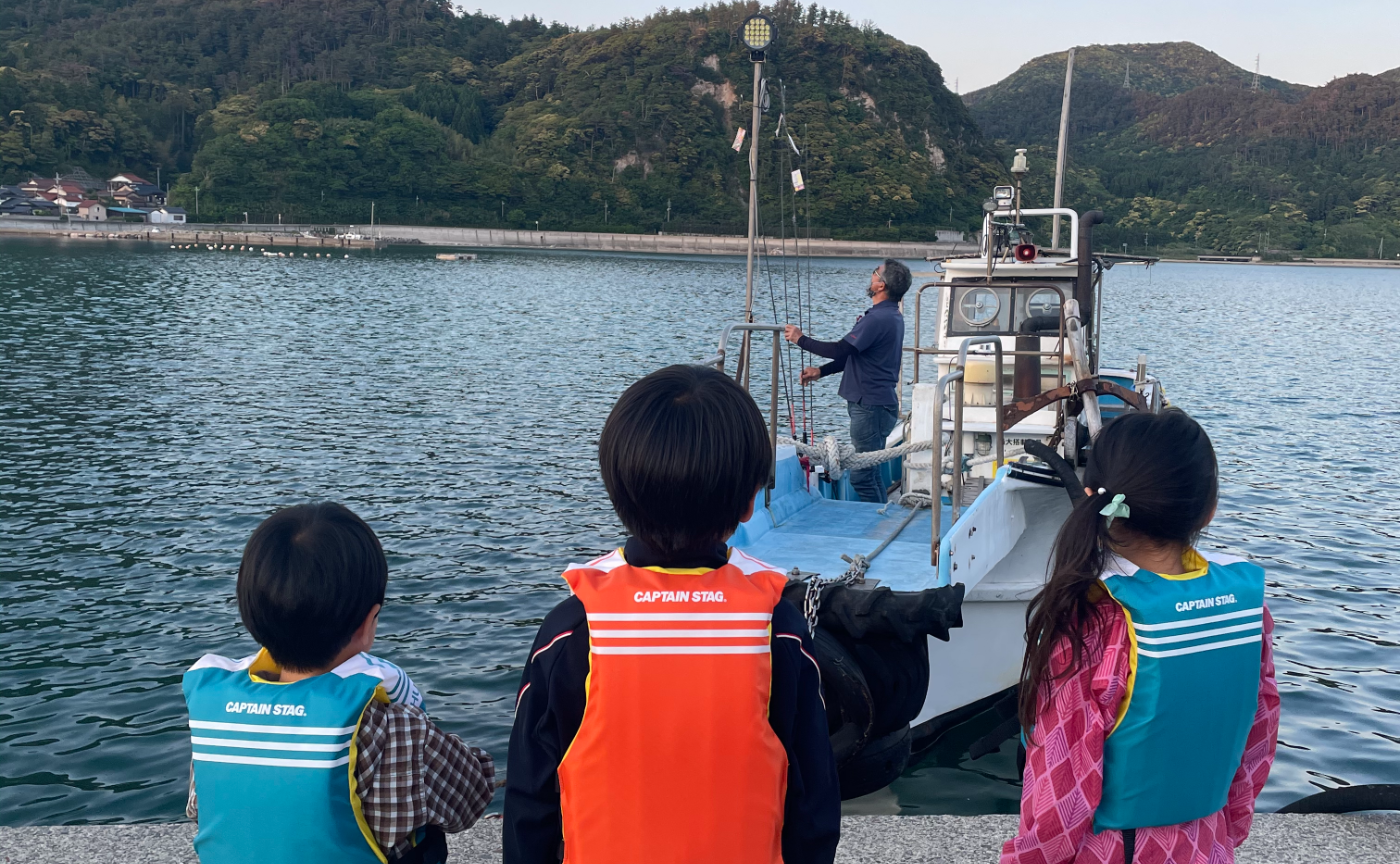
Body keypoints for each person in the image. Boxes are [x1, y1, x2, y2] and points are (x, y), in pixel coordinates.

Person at [504, 364, 840, 864]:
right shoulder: (780, 630)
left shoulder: (572, 631)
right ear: (750, 502)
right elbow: (813, 803)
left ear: (617, 492)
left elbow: (530, 801)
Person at [1003, 410, 1280, 864]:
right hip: (1206, 843)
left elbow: (1060, 794)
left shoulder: (1094, 625)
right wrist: (1224, 831)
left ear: (1095, 499)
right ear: (1207, 508)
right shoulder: (1249, 613)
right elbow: (1259, 736)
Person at [183, 503, 495, 864]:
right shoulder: (393, 729)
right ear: (368, 623)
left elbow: (198, 808)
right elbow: (471, 796)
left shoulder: (215, 715)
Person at [784, 258, 912, 503]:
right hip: (878, 404)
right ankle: (880, 520)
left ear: (881, 286)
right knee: (870, 470)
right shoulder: (890, 316)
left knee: (862, 477)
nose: (871, 277)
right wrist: (821, 372)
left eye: (875, 273)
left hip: (870, 407)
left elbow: (841, 349)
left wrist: (800, 339)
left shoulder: (877, 319)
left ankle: (877, 527)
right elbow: (854, 354)